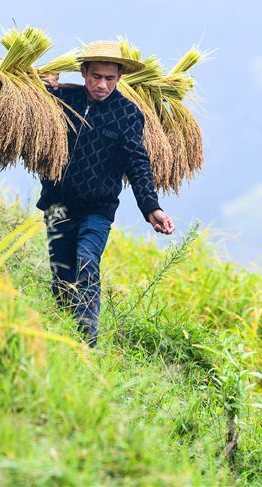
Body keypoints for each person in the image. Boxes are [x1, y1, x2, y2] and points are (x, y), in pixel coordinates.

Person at [38, 40, 175, 348]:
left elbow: (137, 162)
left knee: (87, 262)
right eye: (95, 76)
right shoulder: (62, 99)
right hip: (57, 205)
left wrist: (151, 207)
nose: (102, 85)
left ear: (120, 77)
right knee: (61, 273)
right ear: (84, 72)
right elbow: (34, 117)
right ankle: (62, 338)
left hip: (97, 210)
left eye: (109, 78)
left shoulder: (128, 114)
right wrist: (43, 87)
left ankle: (88, 342)